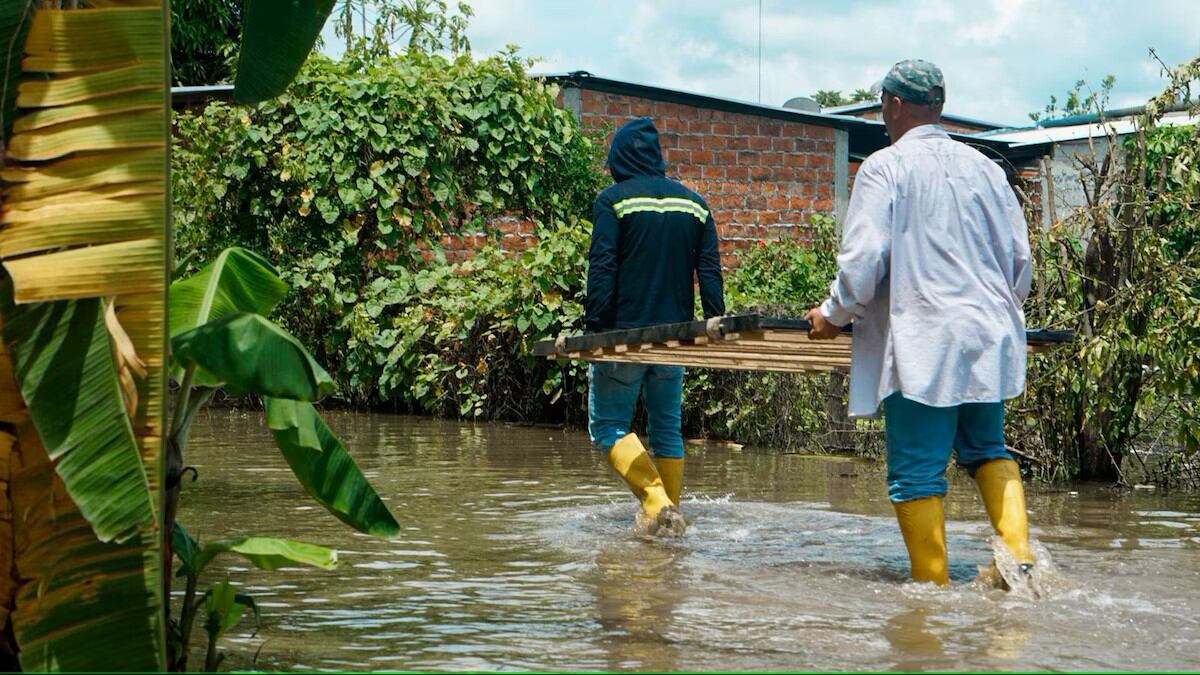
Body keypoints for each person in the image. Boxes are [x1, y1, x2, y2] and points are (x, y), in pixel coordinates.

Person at [804, 60, 1036, 585]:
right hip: (987, 333)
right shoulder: (987, 169)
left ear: (892, 105)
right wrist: (996, 313)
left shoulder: (885, 167)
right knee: (985, 450)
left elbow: (863, 262)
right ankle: (1020, 563)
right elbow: (1020, 262)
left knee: (915, 473)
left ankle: (931, 594)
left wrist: (831, 316)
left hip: (924, 340)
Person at [585, 116, 725, 536]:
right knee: (667, 428)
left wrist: (596, 328)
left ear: (620, 157)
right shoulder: (695, 204)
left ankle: (655, 501)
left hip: (625, 336)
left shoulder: (613, 200)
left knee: (608, 426)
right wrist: (714, 319)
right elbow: (710, 269)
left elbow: (603, 266)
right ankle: (669, 517)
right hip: (675, 339)